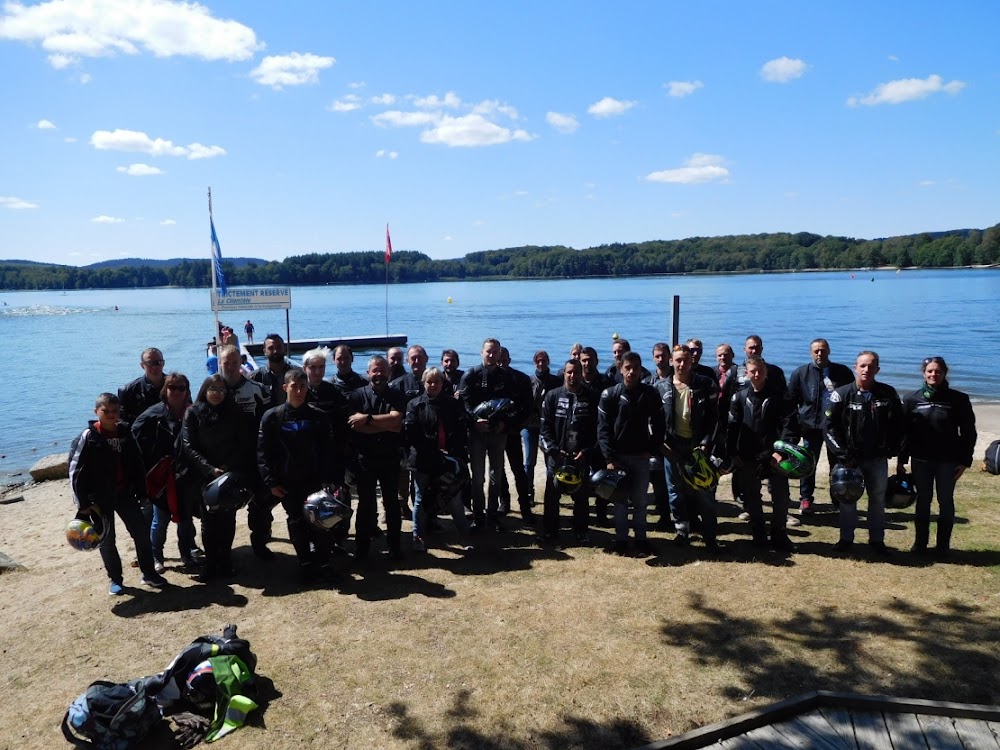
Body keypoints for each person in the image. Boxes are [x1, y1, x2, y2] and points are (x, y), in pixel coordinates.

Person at [69, 393, 166, 594]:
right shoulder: (88, 437)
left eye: (115, 411)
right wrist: (82, 503)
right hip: (99, 499)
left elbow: (137, 464)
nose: (111, 415)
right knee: (107, 540)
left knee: (141, 534)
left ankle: (149, 573)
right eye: (106, 411)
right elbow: (75, 471)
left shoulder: (125, 433)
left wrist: (143, 492)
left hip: (125, 494)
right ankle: (116, 580)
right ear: (96, 412)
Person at [258, 369, 342, 584]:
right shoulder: (272, 417)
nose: (298, 391)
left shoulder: (318, 416)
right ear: (285, 388)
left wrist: (329, 481)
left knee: (321, 522)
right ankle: (305, 563)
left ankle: (323, 563)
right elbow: (263, 453)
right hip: (287, 483)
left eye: (302, 386)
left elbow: (328, 451)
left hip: (315, 481)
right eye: (294, 386)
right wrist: (271, 482)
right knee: (296, 523)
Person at [825, 351, 903, 555]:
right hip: (849, 460)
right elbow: (829, 427)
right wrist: (842, 454)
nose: (866, 369)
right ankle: (846, 539)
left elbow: (899, 424)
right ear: (855, 367)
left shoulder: (888, 393)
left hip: (877, 459)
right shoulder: (841, 394)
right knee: (847, 499)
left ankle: (877, 540)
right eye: (863, 365)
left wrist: (893, 447)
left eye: (871, 366)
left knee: (877, 499)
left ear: (877, 369)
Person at [897, 357, 977, 557]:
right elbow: (904, 433)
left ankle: (943, 547)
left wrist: (965, 461)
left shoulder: (958, 399)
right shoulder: (911, 399)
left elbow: (969, 432)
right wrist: (901, 460)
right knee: (923, 501)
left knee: (945, 501)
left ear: (944, 373)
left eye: (938, 371)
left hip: (948, 461)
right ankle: (920, 545)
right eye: (930, 371)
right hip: (921, 460)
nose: (934, 375)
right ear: (924, 373)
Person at [182, 374, 256, 581]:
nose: (217, 394)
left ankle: (225, 560)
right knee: (208, 521)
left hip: (230, 473)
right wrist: (209, 468)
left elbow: (244, 444)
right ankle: (211, 562)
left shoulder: (235, 413)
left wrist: (227, 467)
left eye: (222, 390)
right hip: (204, 474)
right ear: (205, 390)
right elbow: (189, 446)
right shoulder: (193, 413)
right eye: (213, 389)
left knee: (228, 519)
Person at [727, 356, 799, 552]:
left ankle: (779, 535)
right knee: (752, 497)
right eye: (752, 371)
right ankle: (758, 534)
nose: (756, 374)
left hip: (775, 455)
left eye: (760, 370)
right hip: (749, 454)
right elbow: (732, 428)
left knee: (781, 496)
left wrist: (781, 451)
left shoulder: (782, 397)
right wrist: (733, 453)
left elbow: (790, 426)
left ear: (766, 372)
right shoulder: (739, 397)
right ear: (747, 373)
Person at [132, 372, 201, 572]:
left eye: (182, 388)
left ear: (187, 391)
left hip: (186, 475)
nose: (177, 392)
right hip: (160, 477)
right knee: (159, 520)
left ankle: (187, 554)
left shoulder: (193, 412)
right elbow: (134, 444)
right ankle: (156, 556)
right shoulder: (151, 415)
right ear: (165, 390)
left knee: (185, 519)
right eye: (173, 387)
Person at [597, 351, 665, 555]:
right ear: (621, 369)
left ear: (640, 368)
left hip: (641, 457)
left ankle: (641, 539)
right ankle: (620, 540)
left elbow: (660, 425)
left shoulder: (650, 393)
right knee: (619, 501)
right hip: (617, 459)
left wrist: (651, 450)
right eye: (628, 367)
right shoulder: (610, 395)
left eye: (635, 367)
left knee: (640, 501)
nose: (632, 371)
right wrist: (609, 458)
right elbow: (603, 429)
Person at [658, 344, 723, 551]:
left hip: (699, 447)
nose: (682, 364)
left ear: (691, 361)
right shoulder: (661, 387)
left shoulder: (705, 384)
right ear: (671, 361)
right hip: (672, 447)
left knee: (705, 491)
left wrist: (705, 444)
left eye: (686, 360)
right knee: (675, 491)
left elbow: (715, 419)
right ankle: (682, 531)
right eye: (678, 360)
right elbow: (654, 421)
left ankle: (710, 536)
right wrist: (663, 445)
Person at [460, 338, 526, 532]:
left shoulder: (506, 377)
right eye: (488, 351)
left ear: (500, 354)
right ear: (481, 352)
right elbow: (464, 404)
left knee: (496, 475)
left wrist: (505, 424)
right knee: (478, 476)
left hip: (498, 433)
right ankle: (478, 516)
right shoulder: (470, 375)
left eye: (495, 352)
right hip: (477, 433)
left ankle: (492, 514)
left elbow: (513, 404)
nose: (491, 355)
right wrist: (474, 422)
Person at [403, 367, 473, 551]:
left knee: (455, 499)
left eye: (437, 381)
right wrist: (433, 451)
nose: (433, 385)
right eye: (429, 382)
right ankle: (418, 537)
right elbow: (412, 434)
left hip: (448, 461)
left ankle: (466, 537)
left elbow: (460, 432)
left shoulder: (453, 404)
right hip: (423, 460)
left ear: (443, 383)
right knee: (420, 499)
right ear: (424, 383)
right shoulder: (414, 405)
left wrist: (451, 454)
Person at [346, 355, 406, 562]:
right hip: (365, 459)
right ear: (368, 372)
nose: (379, 374)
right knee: (365, 505)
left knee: (391, 504)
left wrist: (368, 419)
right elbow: (355, 427)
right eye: (375, 370)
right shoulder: (355, 396)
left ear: (388, 372)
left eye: (382, 370)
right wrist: (385, 424)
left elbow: (397, 422)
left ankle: (395, 547)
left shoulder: (397, 394)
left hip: (390, 457)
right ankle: (362, 549)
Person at [787, 339, 854, 514]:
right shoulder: (801, 373)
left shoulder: (842, 372)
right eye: (816, 351)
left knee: (837, 464)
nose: (819, 354)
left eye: (822, 350)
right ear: (810, 353)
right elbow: (791, 403)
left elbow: (850, 399)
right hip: (810, 427)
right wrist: (795, 426)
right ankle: (806, 499)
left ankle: (838, 497)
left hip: (835, 428)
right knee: (808, 464)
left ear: (829, 351)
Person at [217, 345, 271, 558]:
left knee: (260, 504)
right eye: (226, 362)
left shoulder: (257, 389)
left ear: (241, 363)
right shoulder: (212, 388)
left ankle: (259, 543)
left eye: (234, 362)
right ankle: (225, 551)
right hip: (225, 458)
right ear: (220, 363)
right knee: (225, 506)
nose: (230, 367)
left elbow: (268, 422)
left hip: (252, 456)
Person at [539, 359, 600, 544]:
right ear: (564, 374)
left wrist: (588, 450)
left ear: (582, 374)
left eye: (576, 372)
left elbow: (598, 428)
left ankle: (581, 530)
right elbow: (544, 427)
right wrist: (553, 450)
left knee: (581, 496)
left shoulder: (592, 397)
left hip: (580, 455)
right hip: (557, 455)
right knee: (551, 494)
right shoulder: (552, 396)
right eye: (569, 372)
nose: (573, 376)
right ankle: (550, 530)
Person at [492, 347, 535, 521]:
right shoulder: (488, 379)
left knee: (518, 469)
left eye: (504, 360)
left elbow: (528, 407)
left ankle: (525, 506)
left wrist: (514, 425)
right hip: (495, 432)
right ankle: (504, 502)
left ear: (509, 360)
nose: (501, 363)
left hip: (512, 431)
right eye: (498, 360)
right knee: (498, 469)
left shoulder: (521, 379)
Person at [523, 350, 561, 504]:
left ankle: (551, 492)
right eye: (538, 361)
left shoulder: (555, 381)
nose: (541, 364)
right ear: (534, 363)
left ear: (548, 362)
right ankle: (528, 493)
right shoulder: (529, 381)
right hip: (529, 427)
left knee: (549, 461)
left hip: (548, 427)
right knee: (529, 461)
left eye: (543, 361)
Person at [119, 347, 167, 424]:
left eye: (157, 362)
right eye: (150, 363)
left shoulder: (176, 386)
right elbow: (123, 421)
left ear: (163, 363)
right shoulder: (128, 391)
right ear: (142, 365)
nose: (154, 367)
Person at [250, 334, 291, 407]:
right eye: (271, 348)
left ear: (284, 348)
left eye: (279, 347)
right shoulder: (255, 377)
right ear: (264, 351)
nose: (275, 351)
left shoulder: (296, 374)